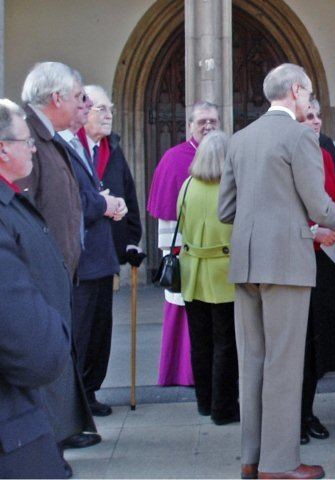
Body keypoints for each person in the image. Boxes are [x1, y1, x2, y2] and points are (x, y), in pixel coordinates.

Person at [218, 63, 335, 480]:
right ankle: (279, 464)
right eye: (308, 92)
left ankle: (252, 457)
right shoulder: (300, 135)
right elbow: (320, 207)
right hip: (285, 263)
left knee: (254, 362)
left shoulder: (240, 139)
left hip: (245, 262)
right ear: (296, 90)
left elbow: (227, 209)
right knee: (283, 363)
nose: (309, 100)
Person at [17, 61, 99, 451]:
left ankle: (59, 433)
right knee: (44, 355)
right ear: (56, 98)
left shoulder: (48, 136)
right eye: (76, 96)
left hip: (56, 270)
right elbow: (22, 206)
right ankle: (47, 442)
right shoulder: (25, 135)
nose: (80, 104)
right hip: (37, 273)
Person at [0, 99, 70, 478]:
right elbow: (31, 347)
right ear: (2, 148)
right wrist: (52, 337)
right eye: (26, 141)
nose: (31, 148)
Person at [58, 86, 125, 419]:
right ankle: (77, 402)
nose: (103, 114)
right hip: (82, 261)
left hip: (103, 255)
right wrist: (105, 203)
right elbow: (75, 202)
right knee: (83, 334)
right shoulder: (68, 149)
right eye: (96, 107)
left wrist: (130, 235)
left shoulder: (107, 148)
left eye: (104, 108)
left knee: (101, 332)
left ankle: (90, 392)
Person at [147, 101, 220, 387]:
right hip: (184, 249)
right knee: (183, 310)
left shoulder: (226, 156)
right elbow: (166, 213)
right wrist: (173, 252)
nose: (208, 126)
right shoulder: (174, 158)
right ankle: (183, 373)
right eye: (201, 121)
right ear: (189, 125)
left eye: (213, 120)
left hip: (219, 253)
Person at [176, 131, 239, 425]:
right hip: (224, 273)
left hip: (192, 273)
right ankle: (223, 407)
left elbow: (182, 219)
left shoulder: (188, 185)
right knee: (225, 344)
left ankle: (204, 401)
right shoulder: (232, 187)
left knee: (200, 343)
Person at [299, 99, 335, 445]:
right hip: (298, 256)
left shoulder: (326, 155)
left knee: (318, 344)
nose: (316, 122)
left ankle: (308, 410)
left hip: (327, 260)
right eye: (308, 117)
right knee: (298, 346)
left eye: (318, 117)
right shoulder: (289, 156)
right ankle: (293, 418)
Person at [81, 85, 145, 278]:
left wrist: (131, 239)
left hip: (109, 254)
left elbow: (129, 194)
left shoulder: (113, 149)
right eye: (101, 109)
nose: (109, 115)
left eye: (111, 109)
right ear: (83, 111)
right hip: (81, 257)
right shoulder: (72, 149)